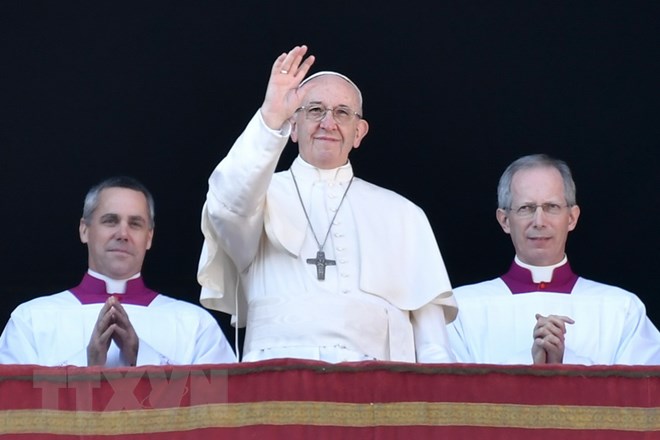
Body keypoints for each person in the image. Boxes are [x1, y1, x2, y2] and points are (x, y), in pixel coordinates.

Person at [196, 45, 457, 363]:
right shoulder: (258, 196)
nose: (327, 123)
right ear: (293, 125)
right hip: (274, 379)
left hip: (376, 388)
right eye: (315, 110)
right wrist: (270, 117)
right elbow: (226, 206)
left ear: (359, 132)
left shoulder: (404, 214)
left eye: (342, 113)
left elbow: (433, 346)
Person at [0, 176, 236, 367]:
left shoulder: (195, 324)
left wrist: (140, 357)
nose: (123, 234)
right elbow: (13, 408)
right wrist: (88, 365)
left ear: (149, 237)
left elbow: (221, 412)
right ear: (84, 230)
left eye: (135, 223)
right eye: (110, 221)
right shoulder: (31, 320)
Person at [448, 154, 660, 365]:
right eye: (526, 208)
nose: (539, 222)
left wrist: (563, 367)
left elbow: (644, 393)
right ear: (504, 220)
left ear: (571, 218)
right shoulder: (461, 308)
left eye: (552, 207)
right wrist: (534, 367)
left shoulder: (621, 308)